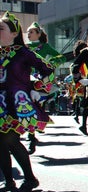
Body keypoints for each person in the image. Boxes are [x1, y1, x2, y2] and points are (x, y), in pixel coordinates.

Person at [0, 11, 54, 192]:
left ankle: (30, 178)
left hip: (16, 104)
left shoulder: (24, 53)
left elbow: (49, 70)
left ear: (14, 33)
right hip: (1, 105)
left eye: (1, 28)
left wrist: (37, 88)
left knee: (11, 140)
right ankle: (9, 181)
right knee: (0, 142)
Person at [25, 22, 66, 154]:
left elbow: (61, 56)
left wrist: (50, 64)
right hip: (25, 79)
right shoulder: (24, 47)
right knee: (28, 106)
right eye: (28, 32)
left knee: (36, 104)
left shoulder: (45, 47)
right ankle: (31, 135)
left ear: (38, 33)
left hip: (40, 79)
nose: (29, 34)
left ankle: (33, 131)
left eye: (31, 32)